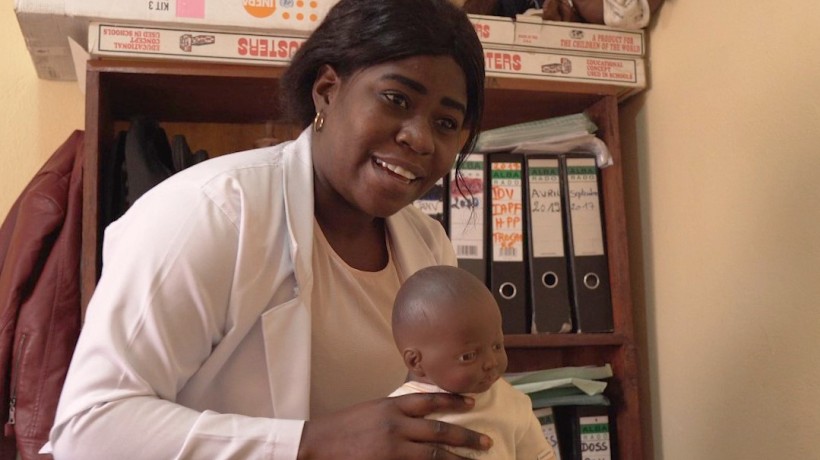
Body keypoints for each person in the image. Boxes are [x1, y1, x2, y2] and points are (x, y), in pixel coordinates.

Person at [43, 0, 491, 458]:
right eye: (396, 99)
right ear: (327, 90)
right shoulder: (211, 212)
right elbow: (90, 427)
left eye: (445, 123)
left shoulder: (429, 246)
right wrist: (309, 444)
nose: (419, 137)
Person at [390, 265, 556, 460]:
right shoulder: (398, 416)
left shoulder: (510, 402)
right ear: (416, 361)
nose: (491, 362)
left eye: (497, 346)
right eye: (468, 356)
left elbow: (540, 454)